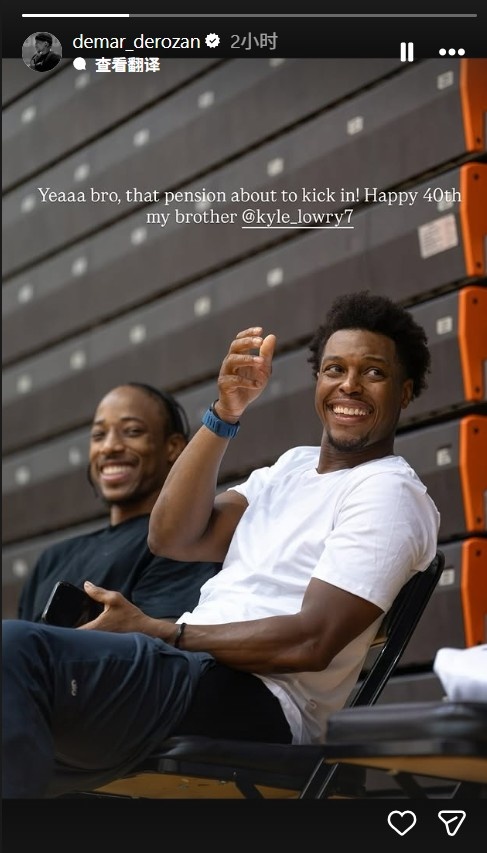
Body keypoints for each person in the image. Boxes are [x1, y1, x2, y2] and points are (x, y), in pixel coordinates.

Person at [2, 291, 440, 798]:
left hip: (260, 702)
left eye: (373, 373)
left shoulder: (389, 491)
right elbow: (172, 535)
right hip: (194, 674)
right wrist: (224, 414)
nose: (349, 385)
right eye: (334, 369)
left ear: (405, 392)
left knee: (15, 650)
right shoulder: (291, 468)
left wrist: (167, 633)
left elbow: (311, 641)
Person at [17, 382, 220, 622]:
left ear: (173, 447)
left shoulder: (179, 541)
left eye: (132, 431)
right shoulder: (51, 559)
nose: (109, 447)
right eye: (98, 435)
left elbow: (164, 639)